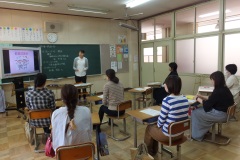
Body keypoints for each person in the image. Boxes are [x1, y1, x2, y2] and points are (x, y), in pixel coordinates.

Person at [144, 75, 189, 156]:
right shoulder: (185, 99)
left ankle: (148, 154)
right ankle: (153, 151)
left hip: (168, 135)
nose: (164, 85)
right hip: (180, 134)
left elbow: (160, 122)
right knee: (155, 128)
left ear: (170, 86)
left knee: (149, 128)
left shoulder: (167, 100)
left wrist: (158, 125)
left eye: (166, 84)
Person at [191, 71, 234, 141]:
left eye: (212, 80)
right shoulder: (224, 89)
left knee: (195, 112)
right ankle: (203, 131)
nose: (211, 82)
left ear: (216, 80)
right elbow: (213, 99)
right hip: (226, 113)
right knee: (199, 110)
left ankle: (196, 136)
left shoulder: (218, 91)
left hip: (220, 115)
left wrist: (197, 98)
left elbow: (207, 106)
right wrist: (201, 96)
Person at [52, 84, 92, 152]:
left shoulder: (56, 114)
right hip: (85, 153)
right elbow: (90, 133)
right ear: (77, 97)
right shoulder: (86, 110)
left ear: (62, 99)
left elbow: (55, 136)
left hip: (63, 155)